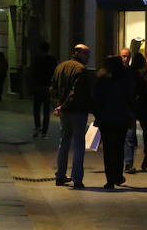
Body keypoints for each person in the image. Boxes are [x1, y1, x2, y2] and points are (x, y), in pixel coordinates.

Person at [51, 43, 92, 188]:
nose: (88, 57)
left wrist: (58, 106)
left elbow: (53, 89)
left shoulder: (60, 67)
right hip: (77, 111)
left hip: (64, 112)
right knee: (78, 144)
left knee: (64, 143)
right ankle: (77, 178)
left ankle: (60, 175)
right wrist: (63, 106)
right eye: (86, 54)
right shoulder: (81, 69)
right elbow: (76, 93)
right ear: (78, 53)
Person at [93, 55, 135, 189]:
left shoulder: (102, 79)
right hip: (121, 119)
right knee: (119, 148)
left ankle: (110, 179)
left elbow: (96, 99)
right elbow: (130, 98)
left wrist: (98, 114)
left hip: (106, 119)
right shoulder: (125, 79)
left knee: (108, 149)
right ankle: (117, 175)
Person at [32, 42, 58, 138]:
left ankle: (37, 127)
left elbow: (33, 72)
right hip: (48, 87)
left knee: (36, 108)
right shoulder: (52, 59)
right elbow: (55, 73)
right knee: (46, 110)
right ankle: (44, 132)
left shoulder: (36, 59)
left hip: (38, 86)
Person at [120, 48, 139, 173]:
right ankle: (122, 163)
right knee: (121, 138)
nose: (125, 59)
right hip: (119, 109)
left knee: (129, 137)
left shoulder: (133, 72)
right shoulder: (116, 72)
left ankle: (128, 163)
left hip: (130, 110)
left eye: (127, 56)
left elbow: (138, 89)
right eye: (123, 56)